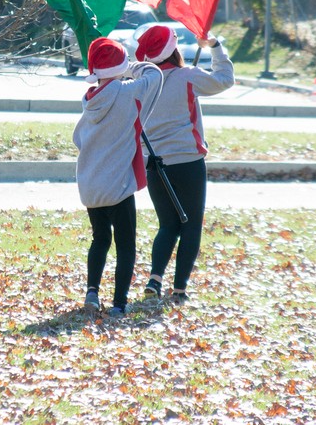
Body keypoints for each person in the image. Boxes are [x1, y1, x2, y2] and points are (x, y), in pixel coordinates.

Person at [134, 25, 234, 305]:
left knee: (167, 224)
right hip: (187, 161)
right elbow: (224, 79)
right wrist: (214, 46)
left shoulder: (141, 82)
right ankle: (179, 289)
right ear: (174, 51)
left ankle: (155, 277)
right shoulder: (187, 77)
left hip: (154, 162)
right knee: (190, 225)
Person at [73, 37, 162, 316]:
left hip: (90, 185)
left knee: (99, 239)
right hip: (119, 185)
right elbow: (155, 74)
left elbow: (78, 138)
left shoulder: (89, 100)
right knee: (126, 245)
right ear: (121, 67)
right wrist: (128, 67)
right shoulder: (129, 92)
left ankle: (92, 294)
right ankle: (119, 304)